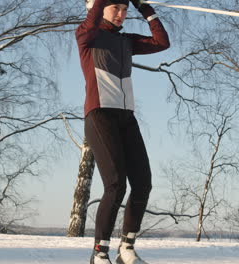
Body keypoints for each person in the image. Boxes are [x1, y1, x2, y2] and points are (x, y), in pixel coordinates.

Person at [76, 0, 170, 263]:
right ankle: (99, 254)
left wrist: (146, 10)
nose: (121, 14)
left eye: (124, 9)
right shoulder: (89, 36)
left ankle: (126, 248)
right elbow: (90, 24)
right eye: (115, 8)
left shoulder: (126, 41)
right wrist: (99, 3)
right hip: (100, 115)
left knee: (142, 183)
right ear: (98, 6)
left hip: (126, 117)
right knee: (116, 184)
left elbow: (162, 43)